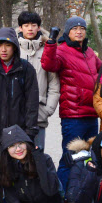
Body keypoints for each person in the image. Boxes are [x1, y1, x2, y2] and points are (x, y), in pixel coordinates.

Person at [40, 16, 102, 190]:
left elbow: (101, 69)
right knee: (71, 156)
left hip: (92, 113)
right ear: (68, 32)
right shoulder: (61, 50)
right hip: (74, 115)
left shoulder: (88, 51)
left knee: (89, 156)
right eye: (75, 28)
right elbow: (48, 64)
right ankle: (61, 195)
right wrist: (51, 42)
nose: (79, 31)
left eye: (82, 28)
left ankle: (80, 193)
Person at [0, 27, 40, 148]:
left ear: (14, 47)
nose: (3, 49)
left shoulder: (26, 69)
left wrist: (30, 131)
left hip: (19, 133)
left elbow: (32, 102)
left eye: (8, 45)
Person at [16, 11, 60, 151]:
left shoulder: (48, 50)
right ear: (20, 28)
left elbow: (54, 84)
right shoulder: (14, 50)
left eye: (33, 25)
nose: (30, 28)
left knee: (37, 155)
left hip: (39, 114)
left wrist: (48, 109)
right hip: (15, 112)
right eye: (26, 25)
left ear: (39, 28)